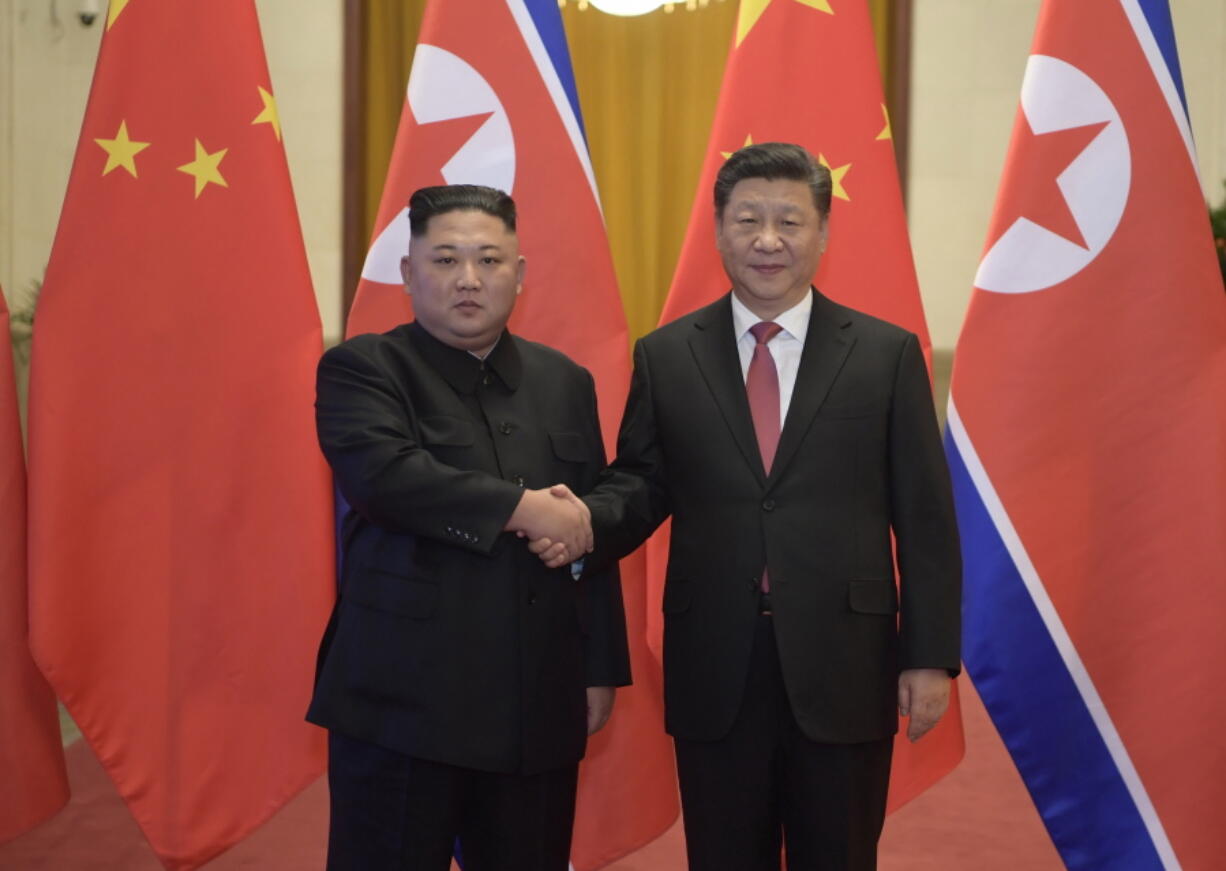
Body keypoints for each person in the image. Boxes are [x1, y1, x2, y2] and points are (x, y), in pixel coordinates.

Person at [539, 142, 961, 870]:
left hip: (846, 659)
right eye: (749, 220)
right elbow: (642, 484)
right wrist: (580, 522)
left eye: (790, 222)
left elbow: (924, 517)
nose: (768, 240)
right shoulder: (668, 355)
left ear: (823, 233)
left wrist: (929, 658)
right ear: (718, 229)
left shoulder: (885, 355)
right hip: (716, 660)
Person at [307, 184, 630, 871]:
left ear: (520, 272)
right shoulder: (364, 369)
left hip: (534, 704)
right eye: (446, 259)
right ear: (409, 272)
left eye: (489, 260)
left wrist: (598, 665)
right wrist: (524, 508)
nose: (469, 279)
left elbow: (588, 526)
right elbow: (387, 479)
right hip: (401, 704)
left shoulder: (565, 380)